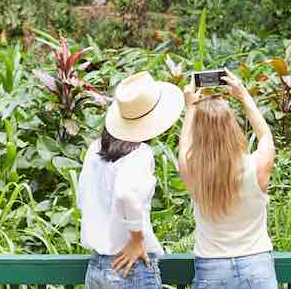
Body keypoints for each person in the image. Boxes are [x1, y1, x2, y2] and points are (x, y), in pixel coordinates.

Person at [77, 71, 185, 289]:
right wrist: (137, 238)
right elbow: (126, 193)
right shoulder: (139, 152)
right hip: (129, 267)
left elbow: (83, 198)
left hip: (97, 266)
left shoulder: (95, 148)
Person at [179, 69, 277, 289]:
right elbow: (266, 136)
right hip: (257, 265)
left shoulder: (193, 170)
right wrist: (243, 95)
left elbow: (184, 146)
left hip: (212, 268)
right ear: (232, 128)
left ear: (199, 132)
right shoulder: (257, 166)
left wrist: (191, 109)